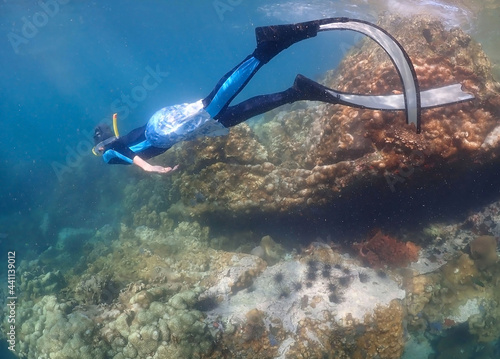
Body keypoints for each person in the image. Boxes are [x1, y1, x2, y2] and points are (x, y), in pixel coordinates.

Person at [92, 18, 474, 174]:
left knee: (215, 103)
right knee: (228, 116)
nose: (102, 154)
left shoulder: (112, 152)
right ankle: (297, 92)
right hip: (180, 132)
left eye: (99, 149)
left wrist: (147, 167)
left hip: (167, 129)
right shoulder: (117, 142)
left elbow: (118, 152)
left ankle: (267, 47)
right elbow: (120, 146)